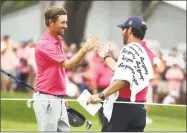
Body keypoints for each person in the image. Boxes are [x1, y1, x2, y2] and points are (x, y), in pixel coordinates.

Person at [31, 6, 99, 132]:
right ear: (51, 22)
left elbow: (61, 70)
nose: (66, 26)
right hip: (47, 100)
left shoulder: (58, 40)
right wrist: (84, 49)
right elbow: (69, 65)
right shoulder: (45, 44)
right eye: (62, 22)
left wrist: (60, 97)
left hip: (57, 98)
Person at [87, 16, 155, 132]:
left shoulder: (129, 49)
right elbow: (121, 71)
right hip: (138, 109)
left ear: (129, 30)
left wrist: (100, 95)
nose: (122, 32)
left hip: (122, 108)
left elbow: (122, 81)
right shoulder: (147, 52)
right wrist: (105, 56)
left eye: (123, 29)